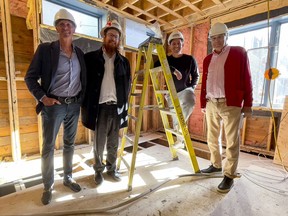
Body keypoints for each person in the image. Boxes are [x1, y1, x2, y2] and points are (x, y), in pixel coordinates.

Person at [25, 9, 86, 205]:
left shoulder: (79, 53)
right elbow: (30, 77)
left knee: (69, 145)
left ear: (74, 29)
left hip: (73, 105)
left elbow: (83, 78)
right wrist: (43, 98)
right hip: (54, 106)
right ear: (56, 28)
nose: (65, 27)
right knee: (49, 147)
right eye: (62, 24)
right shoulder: (45, 49)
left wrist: (81, 99)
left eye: (69, 24)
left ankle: (67, 178)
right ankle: (48, 185)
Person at [200, 22, 253, 193]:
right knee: (212, 138)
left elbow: (247, 78)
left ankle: (229, 175)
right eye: (213, 38)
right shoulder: (208, 59)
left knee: (232, 141)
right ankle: (216, 165)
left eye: (219, 37)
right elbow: (205, 83)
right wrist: (203, 103)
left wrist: (248, 104)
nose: (216, 41)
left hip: (230, 104)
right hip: (211, 103)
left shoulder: (238, 52)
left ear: (226, 36)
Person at [81, 20, 131, 185]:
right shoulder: (91, 58)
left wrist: (125, 109)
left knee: (113, 142)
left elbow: (127, 86)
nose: (113, 39)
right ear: (104, 36)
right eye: (110, 35)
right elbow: (84, 83)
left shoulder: (124, 62)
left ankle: (112, 169)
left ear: (119, 40)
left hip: (116, 107)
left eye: (116, 37)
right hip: (100, 107)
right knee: (99, 143)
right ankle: (98, 170)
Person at [155, 30, 199, 143]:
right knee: (175, 119)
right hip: (170, 93)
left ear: (182, 44)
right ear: (169, 45)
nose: (176, 46)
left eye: (179, 43)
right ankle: (180, 141)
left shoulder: (189, 59)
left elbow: (196, 75)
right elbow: (156, 65)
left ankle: (180, 137)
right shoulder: (167, 60)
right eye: (174, 43)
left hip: (185, 90)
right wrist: (174, 70)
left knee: (190, 102)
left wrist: (192, 87)